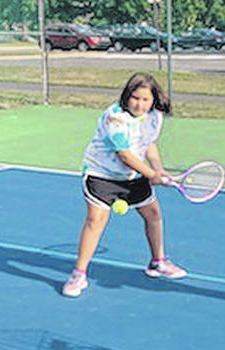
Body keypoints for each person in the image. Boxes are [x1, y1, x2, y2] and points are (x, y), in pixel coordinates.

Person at [61, 72, 186, 298]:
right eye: (135, 98)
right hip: (102, 174)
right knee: (96, 220)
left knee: (153, 213)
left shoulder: (154, 116)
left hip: (132, 177)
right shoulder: (115, 118)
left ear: (153, 100)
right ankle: (78, 274)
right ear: (127, 96)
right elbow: (125, 155)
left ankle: (158, 262)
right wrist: (151, 175)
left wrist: (158, 169)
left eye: (145, 99)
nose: (139, 104)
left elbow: (149, 144)